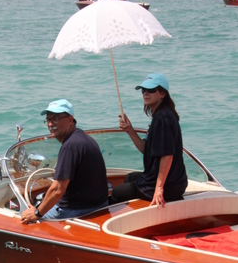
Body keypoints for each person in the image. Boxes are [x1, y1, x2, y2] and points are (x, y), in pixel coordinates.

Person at [21, 99, 108, 223]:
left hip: (78, 210)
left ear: (70, 120)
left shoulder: (69, 147)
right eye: (48, 120)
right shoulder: (86, 139)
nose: (50, 124)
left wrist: (37, 212)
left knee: (25, 220)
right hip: (100, 205)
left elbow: (57, 190)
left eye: (55, 119)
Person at [110, 73, 187, 209]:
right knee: (129, 178)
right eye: (143, 90)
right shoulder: (162, 114)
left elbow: (167, 155)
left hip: (169, 185)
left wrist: (159, 189)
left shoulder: (162, 118)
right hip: (175, 181)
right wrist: (130, 130)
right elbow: (147, 150)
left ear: (162, 93)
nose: (145, 93)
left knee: (116, 192)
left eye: (151, 90)